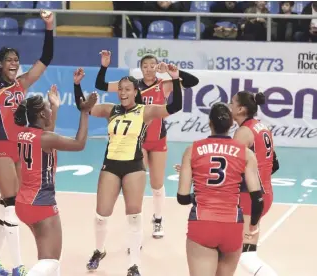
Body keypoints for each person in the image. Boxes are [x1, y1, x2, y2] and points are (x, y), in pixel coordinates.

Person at [0, 5, 53, 276]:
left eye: (17, 58)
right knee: (14, 203)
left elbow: (45, 59)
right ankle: (18, 267)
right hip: (0, 147)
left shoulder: (22, 84)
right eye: (9, 59)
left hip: (19, 149)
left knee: (7, 205)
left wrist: (50, 26)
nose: (15, 62)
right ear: (0, 65)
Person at [74, 64, 183, 276]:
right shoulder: (109, 109)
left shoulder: (146, 111)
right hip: (111, 165)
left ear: (135, 92)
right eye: (120, 89)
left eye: (127, 89)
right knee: (101, 215)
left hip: (134, 166)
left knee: (134, 216)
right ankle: (99, 250)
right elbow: (84, 107)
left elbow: (175, 106)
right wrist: (77, 85)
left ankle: (134, 264)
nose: (123, 93)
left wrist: (176, 79)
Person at [95, 50, 198, 239]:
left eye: (152, 65)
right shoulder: (132, 87)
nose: (149, 69)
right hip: (138, 141)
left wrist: (170, 72)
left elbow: (193, 82)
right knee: (138, 186)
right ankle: (137, 229)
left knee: (157, 184)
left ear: (157, 67)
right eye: (145, 66)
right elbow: (100, 85)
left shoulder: (164, 85)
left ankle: (158, 219)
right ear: (140, 69)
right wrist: (104, 65)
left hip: (158, 140)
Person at [13, 84, 98, 276]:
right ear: (42, 115)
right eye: (48, 109)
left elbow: (46, 132)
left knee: (48, 260)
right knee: (51, 261)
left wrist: (56, 106)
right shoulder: (45, 139)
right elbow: (79, 144)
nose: (50, 111)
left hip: (24, 203)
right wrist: (85, 112)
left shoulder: (23, 134)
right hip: (41, 204)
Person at [177, 102, 264, 276]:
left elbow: (182, 198)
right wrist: (253, 225)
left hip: (203, 224)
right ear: (232, 124)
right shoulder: (246, 153)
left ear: (209, 123)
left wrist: (198, 195)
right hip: (232, 226)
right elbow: (258, 198)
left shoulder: (192, 150)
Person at [230, 91, 279, 276]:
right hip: (263, 194)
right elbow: (275, 163)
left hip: (250, 198)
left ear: (241, 109)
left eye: (232, 102)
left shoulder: (243, 132)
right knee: (245, 251)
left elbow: (229, 166)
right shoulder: (262, 127)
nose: (229, 105)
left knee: (244, 256)